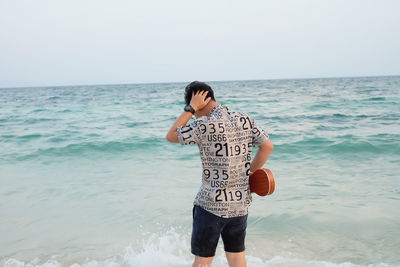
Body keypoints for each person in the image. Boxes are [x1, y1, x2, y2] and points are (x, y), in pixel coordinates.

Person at [165, 81, 274, 267]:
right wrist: (249, 173)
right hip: (240, 205)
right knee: (237, 257)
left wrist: (190, 109)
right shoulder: (244, 119)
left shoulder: (204, 124)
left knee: (202, 261)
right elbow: (267, 147)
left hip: (210, 206)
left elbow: (171, 135)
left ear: (199, 101)